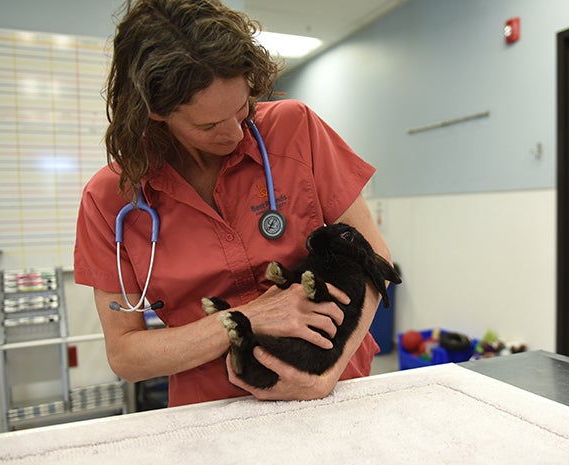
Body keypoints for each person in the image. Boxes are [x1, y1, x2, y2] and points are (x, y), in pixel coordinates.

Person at [74, 0, 392, 407]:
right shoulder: (110, 200)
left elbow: (374, 257)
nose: (236, 133)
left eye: (242, 108)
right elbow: (126, 355)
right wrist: (243, 319)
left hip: (337, 386)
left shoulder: (296, 130)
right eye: (207, 125)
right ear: (154, 112)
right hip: (213, 409)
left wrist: (326, 377)